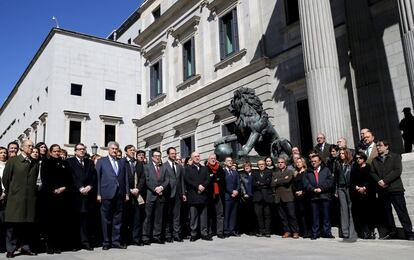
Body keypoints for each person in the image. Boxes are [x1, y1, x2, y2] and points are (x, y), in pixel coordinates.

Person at [370, 140, 414, 240]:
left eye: (380, 146)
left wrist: (385, 181)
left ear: (386, 146)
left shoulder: (395, 157)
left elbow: (397, 170)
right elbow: (372, 172)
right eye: (377, 146)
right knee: (387, 213)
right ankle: (392, 232)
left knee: (402, 212)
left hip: (395, 189)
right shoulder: (375, 160)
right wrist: (379, 181)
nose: (377, 147)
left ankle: (409, 232)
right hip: (382, 190)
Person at [2, 140, 38, 258]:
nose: (32, 148)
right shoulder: (13, 161)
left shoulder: (34, 162)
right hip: (15, 198)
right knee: (13, 225)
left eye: (32, 146)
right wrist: (13, 191)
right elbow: (6, 179)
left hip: (29, 200)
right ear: (22, 148)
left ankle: (25, 247)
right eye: (29, 146)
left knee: (27, 226)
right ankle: (10, 249)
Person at [41, 144, 75, 253]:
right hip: (50, 196)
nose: (57, 153)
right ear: (50, 152)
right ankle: (49, 245)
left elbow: (69, 178)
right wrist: (54, 189)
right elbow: (45, 179)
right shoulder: (46, 162)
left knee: (60, 222)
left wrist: (64, 188)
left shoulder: (65, 163)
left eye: (58, 151)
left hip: (63, 196)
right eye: (54, 151)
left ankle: (58, 245)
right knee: (50, 222)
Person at [96, 141, 129, 250]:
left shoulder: (121, 162)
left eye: (116, 149)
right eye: (113, 148)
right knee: (106, 219)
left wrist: (127, 193)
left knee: (117, 220)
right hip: (106, 194)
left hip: (119, 194)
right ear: (108, 149)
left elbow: (125, 179)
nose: (114, 150)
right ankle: (106, 242)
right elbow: (97, 178)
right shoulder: (101, 161)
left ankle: (116, 242)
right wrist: (98, 193)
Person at [67, 143, 97, 250]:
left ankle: (86, 242)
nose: (81, 151)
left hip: (88, 195)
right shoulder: (69, 162)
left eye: (83, 149)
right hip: (75, 195)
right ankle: (75, 243)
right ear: (75, 151)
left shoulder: (90, 162)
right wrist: (80, 188)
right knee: (75, 220)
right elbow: (71, 176)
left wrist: (90, 186)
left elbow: (94, 176)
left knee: (86, 220)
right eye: (79, 149)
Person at [303, 154, 334, 240]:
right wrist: (313, 189)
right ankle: (315, 233)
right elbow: (306, 183)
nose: (313, 163)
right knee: (314, 216)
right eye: (312, 161)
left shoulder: (326, 170)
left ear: (320, 161)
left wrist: (321, 189)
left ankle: (327, 232)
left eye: (315, 161)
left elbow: (330, 181)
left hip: (324, 195)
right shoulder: (308, 171)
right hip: (313, 196)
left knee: (326, 215)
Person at [184, 152, 211, 241]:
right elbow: (188, 180)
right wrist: (197, 186)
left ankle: (204, 233)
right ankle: (193, 234)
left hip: (203, 195)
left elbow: (208, 179)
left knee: (204, 216)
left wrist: (203, 186)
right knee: (193, 216)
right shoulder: (188, 168)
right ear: (191, 158)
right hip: (193, 195)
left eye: (198, 156)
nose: (197, 157)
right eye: (195, 156)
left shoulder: (205, 168)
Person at [142, 150, 168, 245]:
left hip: (161, 196)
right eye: (156, 156)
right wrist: (155, 189)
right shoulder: (146, 167)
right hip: (150, 195)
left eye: (159, 156)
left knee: (158, 218)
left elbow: (167, 180)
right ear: (152, 157)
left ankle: (156, 236)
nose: (158, 157)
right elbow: (147, 180)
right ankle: (146, 237)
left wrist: (161, 187)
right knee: (148, 217)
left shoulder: (163, 168)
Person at [122, 145, 145, 246]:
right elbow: (121, 177)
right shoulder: (122, 162)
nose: (133, 152)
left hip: (137, 194)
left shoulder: (139, 163)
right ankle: (125, 240)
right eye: (130, 150)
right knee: (125, 218)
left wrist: (138, 188)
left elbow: (143, 178)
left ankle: (136, 239)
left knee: (137, 218)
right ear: (126, 152)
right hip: (126, 194)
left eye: (133, 150)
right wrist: (129, 190)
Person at [272, 157, 299, 239]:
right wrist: (282, 179)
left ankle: (295, 231)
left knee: (291, 215)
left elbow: (287, 181)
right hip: (278, 197)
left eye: (282, 162)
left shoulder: (290, 171)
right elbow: (272, 184)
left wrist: (278, 180)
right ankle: (287, 231)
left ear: (285, 163)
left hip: (288, 197)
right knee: (283, 216)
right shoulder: (274, 173)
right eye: (279, 162)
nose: (280, 163)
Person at [350, 152, 375, 239]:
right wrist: (356, 187)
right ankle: (365, 232)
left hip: (368, 193)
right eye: (356, 158)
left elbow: (371, 179)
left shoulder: (368, 167)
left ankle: (371, 231)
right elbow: (352, 180)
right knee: (361, 214)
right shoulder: (354, 168)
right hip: (357, 194)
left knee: (370, 213)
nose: (358, 159)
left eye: (360, 158)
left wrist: (364, 188)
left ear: (363, 158)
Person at [163, 147, 186, 243]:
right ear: (168, 154)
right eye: (172, 153)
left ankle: (176, 234)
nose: (174, 155)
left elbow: (182, 181)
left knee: (177, 215)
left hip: (178, 193)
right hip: (167, 193)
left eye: (175, 153)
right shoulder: (163, 166)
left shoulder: (179, 166)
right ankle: (168, 235)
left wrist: (183, 193)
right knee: (168, 215)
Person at [334, 148, 357, 240]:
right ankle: (345, 232)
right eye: (340, 153)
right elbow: (336, 178)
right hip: (340, 188)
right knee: (343, 209)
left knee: (351, 209)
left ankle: (352, 232)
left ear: (347, 154)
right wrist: (336, 190)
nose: (341, 155)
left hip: (349, 187)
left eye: (343, 153)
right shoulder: (338, 164)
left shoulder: (352, 164)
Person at [206, 153, 225, 239]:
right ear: (208, 159)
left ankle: (220, 232)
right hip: (209, 194)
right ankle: (210, 232)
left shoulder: (220, 168)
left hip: (219, 194)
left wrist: (213, 177)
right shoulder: (206, 168)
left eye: (214, 158)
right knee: (209, 214)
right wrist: (215, 178)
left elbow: (222, 180)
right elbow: (207, 180)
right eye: (211, 158)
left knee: (220, 214)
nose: (213, 160)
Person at [252, 160, 273, 237]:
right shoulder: (255, 173)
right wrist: (263, 183)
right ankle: (261, 231)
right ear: (257, 165)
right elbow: (254, 184)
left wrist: (260, 183)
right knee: (259, 215)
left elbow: (268, 182)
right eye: (259, 164)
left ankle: (267, 231)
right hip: (257, 197)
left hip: (267, 196)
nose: (261, 165)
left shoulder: (269, 172)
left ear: (265, 165)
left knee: (267, 215)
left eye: (262, 164)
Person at [293, 157, 311, 238]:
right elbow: (293, 185)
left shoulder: (307, 172)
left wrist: (303, 191)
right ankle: (302, 231)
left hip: (305, 196)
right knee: (299, 214)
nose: (298, 163)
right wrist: (296, 191)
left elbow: (309, 183)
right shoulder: (296, 173)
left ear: (303, 163)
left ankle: (307, 232)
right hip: (297, 196)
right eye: (297, 162)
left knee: (306, 214)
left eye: (300, 162)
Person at [223, 157, 240, 237]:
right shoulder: (223, 172)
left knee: (233, 213)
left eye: (231, 161)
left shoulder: (235, 172)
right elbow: (224, 184)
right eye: (228, 161)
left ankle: (232, 230)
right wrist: (231, 191)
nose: (230, 162)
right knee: (227, 213)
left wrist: (236, 190)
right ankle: (226, 231)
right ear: (225, 163)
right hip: (227, 196)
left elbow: (238, 183)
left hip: (235, 196)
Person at [239, 162, 255, 235]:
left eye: (248, 166)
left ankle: (252, 229)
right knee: (246, 214)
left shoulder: (254, 174)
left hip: (253, 196)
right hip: (245, 197)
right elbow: (241, 184)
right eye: (245, 166)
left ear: (251, 167)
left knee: (253, 214)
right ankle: (246, 230)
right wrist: (244, 193)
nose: (247, 167)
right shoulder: (241, 174)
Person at [0, 147, 7, 253]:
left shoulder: (9, 165)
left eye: (5, 153)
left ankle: (2, 245)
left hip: (6, 194)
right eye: (1, 153)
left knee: (3, 222)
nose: (3, 154)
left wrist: (4, 193)